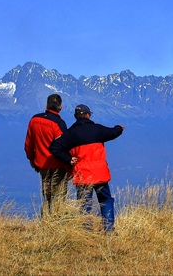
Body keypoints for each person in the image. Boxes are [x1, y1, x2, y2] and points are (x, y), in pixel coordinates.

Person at [49, 104, 124, 232]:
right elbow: (113, 132)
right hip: (99, 173)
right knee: (105, 199)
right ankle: (108, 229)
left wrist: (68, 159)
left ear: (75, 117)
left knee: (85, 203)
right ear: (88, 115)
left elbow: (54, 147)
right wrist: (119, 128)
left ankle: (86, 231)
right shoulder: (97, 130)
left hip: (82, 175)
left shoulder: (70, 134)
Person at [24, 94, 71, 218]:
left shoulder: (34, 120)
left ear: (46, 105)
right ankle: (55, 222)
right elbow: (64, 146)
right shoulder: (58, 124)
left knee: (47, 195)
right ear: (60, 107)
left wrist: (31, 159)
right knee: (58, 196)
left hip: (42, 164)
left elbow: (29, 143)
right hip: (58, 165)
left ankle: (46, 221)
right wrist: (69, 166)